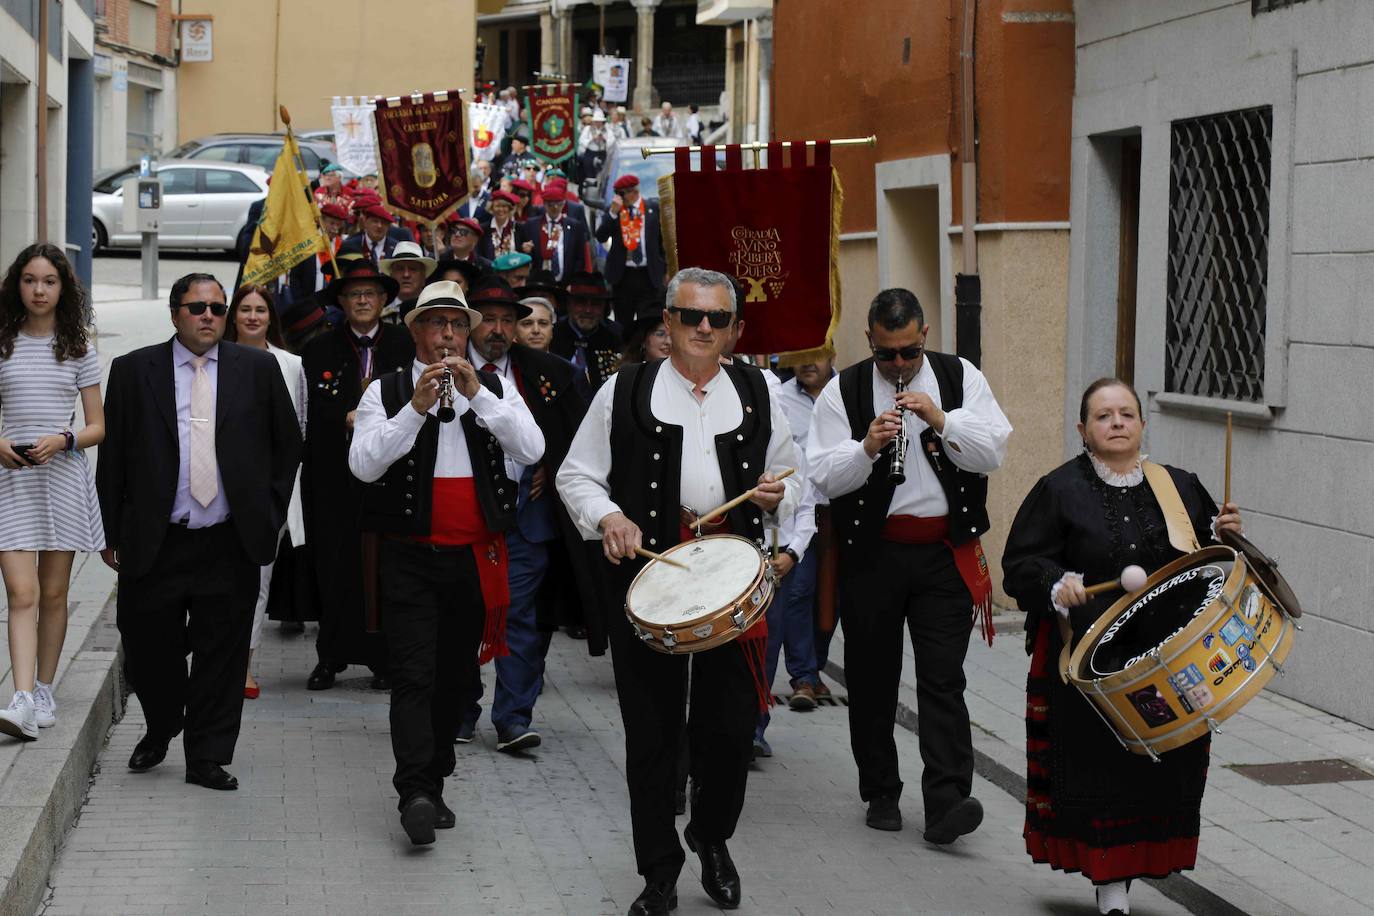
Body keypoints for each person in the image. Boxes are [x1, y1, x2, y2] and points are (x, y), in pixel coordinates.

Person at [557, 267, 800, 916]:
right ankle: (658, 872)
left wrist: (784, 512)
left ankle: (711, 837)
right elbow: (576, 476)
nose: (702, 329)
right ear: (666, 321)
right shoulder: (622, 389)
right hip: (649, 581)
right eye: (689, 316)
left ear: (734, 330)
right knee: (653, 737)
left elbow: (795, 479)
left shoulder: (760, 391)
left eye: (716, 320)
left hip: (733, 584)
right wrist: (607, 516)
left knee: (729, 733)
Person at [1002, 378, 1242, 916]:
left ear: (1142, 423)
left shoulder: (1180, 486)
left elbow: (1211, 562)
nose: (1117, 423)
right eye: (1104, 415)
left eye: (1127, 414)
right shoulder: (1059, 488)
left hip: (1169, 657)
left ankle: (1136, 870)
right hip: (1089, 659)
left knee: (1159, 769)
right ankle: (1111, 890)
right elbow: (1020, 564)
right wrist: (1054, 584)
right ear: (1083, 429)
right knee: (1102, 770)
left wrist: (1228, 535)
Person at [807, 288, 1011, 842]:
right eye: (886, 354)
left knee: (942, 678)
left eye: (907, 353)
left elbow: (993, 450)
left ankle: (947, 802)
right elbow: (822, 478)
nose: (898, 365)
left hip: (942, 552)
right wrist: (867, 448)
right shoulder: (842, 390)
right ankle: (880, 791)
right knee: (872, 678)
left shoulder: (959, 376)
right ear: (870, 341)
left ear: (923, 336)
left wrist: (942, 420)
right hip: (871, 554)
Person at [349, 280, 544, 845]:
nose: (449, 336)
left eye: (457, 325)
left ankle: (432, 782)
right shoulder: (385, 391)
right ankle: (413, 789)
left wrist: (479, 396)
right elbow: (362, 467)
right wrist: (414, 409)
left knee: (457, 682)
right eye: (437, 324)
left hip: (474, 559)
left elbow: (532, 450)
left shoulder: (497, 386)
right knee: (414, 674)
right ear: (415, 332)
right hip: (410, 557)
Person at [96, 272, 301, 790]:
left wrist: (269, 511)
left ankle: (206, 756)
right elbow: (113, 456)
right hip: (157, 538)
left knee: (222, 653)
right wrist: (110, 530)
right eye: (197, 308)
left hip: (229, 537)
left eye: (216, 307)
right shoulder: (132, 369)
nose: (208, 316)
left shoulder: (257, 368)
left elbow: (287, 444)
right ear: (175, 314)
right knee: (145, 646)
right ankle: (163, 724)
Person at [457, 276, 593, 747]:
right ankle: (459, 708)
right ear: (471, 323)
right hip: (466, 516)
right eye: (489, 319)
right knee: (469, 612)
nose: (498, 330)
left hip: (527, 518)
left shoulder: (551, 372)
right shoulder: (445, 369)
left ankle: (513, 717)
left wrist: (550, 468)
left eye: (506, 321)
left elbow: (582, 440)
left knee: (520, 616)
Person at [0, 244, 105, 739]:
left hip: (61, 476)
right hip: (12, 479)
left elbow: (97, 426)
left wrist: (63, 439)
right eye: (29, 279)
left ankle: (43, 688)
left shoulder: (79, 346)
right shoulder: (2, 341)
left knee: (54, 592)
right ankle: (20, 699)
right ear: (16, 285)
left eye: (49, 281)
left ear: (63, 288)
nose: (38, 289)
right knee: (22, 593)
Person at [300, 261, 415, 691]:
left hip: (390, 476)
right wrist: (342, 419)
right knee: (334, 566)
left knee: (386, 569)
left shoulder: (406, 345)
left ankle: (384, 660)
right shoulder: (319, 349)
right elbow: (307, 414)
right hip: (333, 478)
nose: (363, 301)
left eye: (371, 293)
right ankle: (330, 656)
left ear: (385, 300)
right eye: (354, 295)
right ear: (342, 303)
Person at [223, 284, 308, 700]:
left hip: (269, 492)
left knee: (259, 580)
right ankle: (213, 658)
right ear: (233, 315)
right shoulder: (212, 357)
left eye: (260, 309)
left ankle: (245, 665)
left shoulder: (291, 365)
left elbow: (300, 430)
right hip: (216, 490)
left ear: (270, 316)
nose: (253, 316)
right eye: (245, 309)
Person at [596, 175, 665, 326]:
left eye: (620, 194)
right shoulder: (615, 211)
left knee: (648, 322)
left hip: (649, 275)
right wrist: (613, 213)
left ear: (633, 191)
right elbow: (601, 236)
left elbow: (663, 243)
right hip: (623, 276)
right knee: (623, 322)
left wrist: (665, 270)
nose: (618, 198)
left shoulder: (653, 209)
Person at [549, 271, 623, 396]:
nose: (588, 310)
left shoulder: (617, 337)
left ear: (604, 307)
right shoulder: (552, 335)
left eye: (595, 304)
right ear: (569, 304)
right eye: (581, 302)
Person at [517, 183, 590, 283]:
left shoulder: (574, 226)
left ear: (564, 203)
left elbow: (580, 259)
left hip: (565, 282)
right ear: (544, 204)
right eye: (550, 204)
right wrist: (525, 250)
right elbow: (524, 253)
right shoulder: (532, 225)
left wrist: (574, 283)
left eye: (559, 204)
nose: (555, 208)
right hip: (538, 280)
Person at [380, 241, 437, 323]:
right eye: (400, 269)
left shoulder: (435, 309)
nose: (406, 275)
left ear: (424, 277)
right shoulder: (379, 311)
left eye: (413, 269)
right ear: (391, 276)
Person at [340, 200, 404, 262]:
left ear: (389, 226)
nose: (379, 226)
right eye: (375, 221)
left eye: (384, 222)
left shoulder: (397, 249)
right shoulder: (349, 245)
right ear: (365, 222)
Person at [479, 191, 523, 261]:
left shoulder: (518, 227)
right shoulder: (483, 229)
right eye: (497, 206)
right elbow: (479, 255)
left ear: (509, 209)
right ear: (491, 208)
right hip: (490, 270)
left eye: (504, 206)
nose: (501, 209)